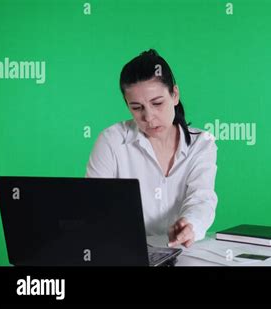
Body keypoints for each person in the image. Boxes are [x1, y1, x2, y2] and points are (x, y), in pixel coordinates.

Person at [85, 49, 218, 248]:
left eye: (157, 103)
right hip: (125, 252)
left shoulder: (202, 144)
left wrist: (189, 224)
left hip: (183, 253)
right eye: (137, 108)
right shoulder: (111, 141)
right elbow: (92, 205)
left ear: (175, 94)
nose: (148, 117)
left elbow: (202, 198)